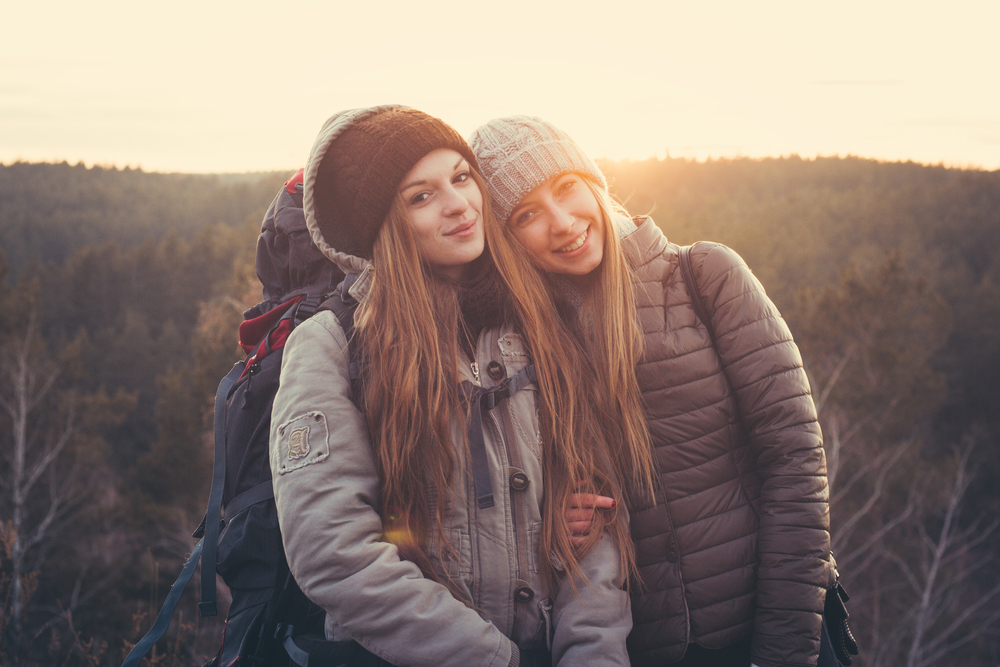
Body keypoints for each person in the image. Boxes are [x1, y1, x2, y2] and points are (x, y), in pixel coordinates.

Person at [269, 106, 644, 667]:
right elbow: (332, 552)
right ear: (383, 226)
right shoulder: (334, 345)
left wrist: (594, 657)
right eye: (421, 196)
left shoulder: (535, 315)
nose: (458, 204)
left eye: (461, 177)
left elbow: (594, 521)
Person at [470, 117, 833, 667]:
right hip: (641, 649)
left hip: (771, 632)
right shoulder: (521, 345)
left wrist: (782, 651)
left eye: (566, 187)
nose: (563, 223)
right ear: (507, 239)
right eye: (526, 214)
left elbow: (795, 464)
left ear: (593, 181)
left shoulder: (704, 276)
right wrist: (553, 524)